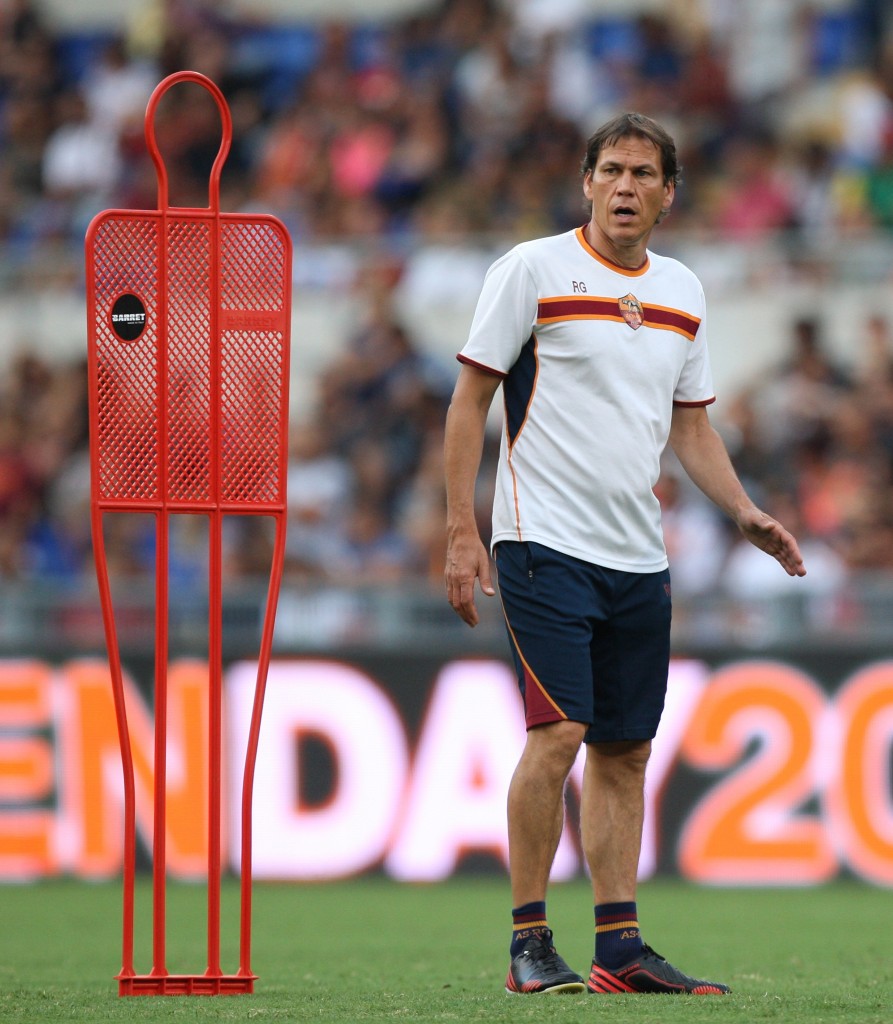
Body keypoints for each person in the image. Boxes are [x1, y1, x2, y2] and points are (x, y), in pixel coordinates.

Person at [443, 111, 806, 997]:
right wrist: (461, 528)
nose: (625, 187)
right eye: (611, 170)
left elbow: (690, 424)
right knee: (558, 732)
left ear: (668, 194)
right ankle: (528, 941)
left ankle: (618, 949)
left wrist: (743, 511)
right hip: (539, 543)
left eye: (644, 174)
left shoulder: (682, 290)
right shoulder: (530, 269)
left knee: (625, 752)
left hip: (637, 556)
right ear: (586, 182)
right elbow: (468, 403)